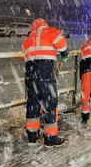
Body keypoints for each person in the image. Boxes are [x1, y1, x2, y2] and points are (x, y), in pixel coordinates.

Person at [22, 18, 68, 147]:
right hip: (45, 75)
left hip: (31, 77)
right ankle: (50, 137)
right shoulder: (50, 32)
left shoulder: (28, 40)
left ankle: (32, 135)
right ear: (44, 25)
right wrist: (64, 53)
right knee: (50, 105)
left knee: (33, 105)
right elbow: (62, 44)